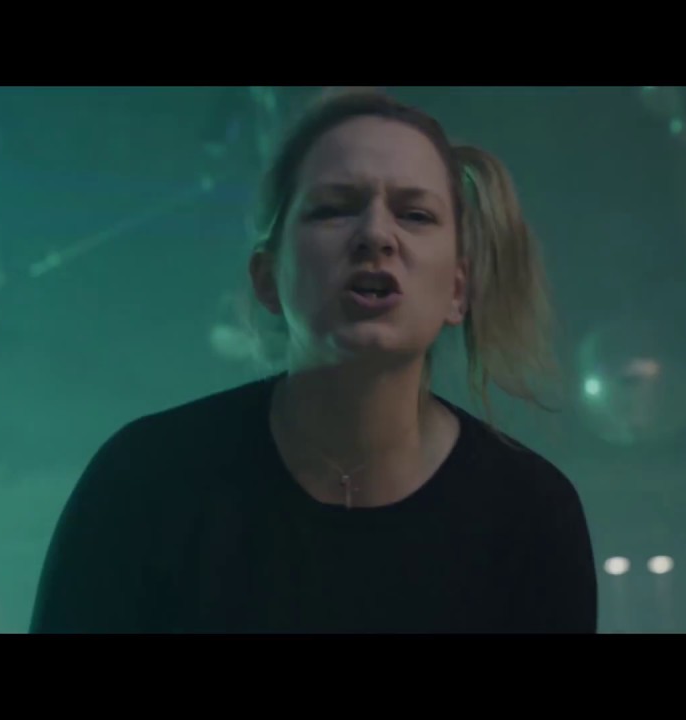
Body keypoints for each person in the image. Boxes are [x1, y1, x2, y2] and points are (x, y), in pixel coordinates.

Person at [30, 89, 597, 633]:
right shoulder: (144, 480)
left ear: (458, 289)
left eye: (415, 214)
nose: (376, 234)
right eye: (334, 208)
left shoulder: (531, 513)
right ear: (267, 278)